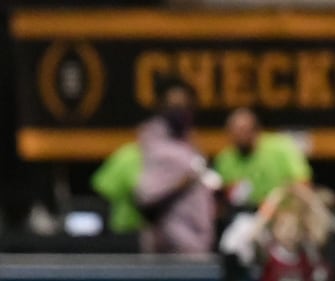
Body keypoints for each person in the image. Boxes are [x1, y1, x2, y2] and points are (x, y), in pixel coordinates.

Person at [133, 76, 220, 254]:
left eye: (183, 105)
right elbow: (146, 204)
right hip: (171, 247)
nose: (179, 111)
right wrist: (182, 184)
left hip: (198, 240)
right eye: (173, 105)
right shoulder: (155, 145)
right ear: (161, 107)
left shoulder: (190, 143)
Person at [214, 108, 312, 211]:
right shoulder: (225, 159)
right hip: (246, 214)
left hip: (285, 213)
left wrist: (276, 203)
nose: (240, 136)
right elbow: (224, 195)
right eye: (235, 132)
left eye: (244, 130)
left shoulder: (280, 147)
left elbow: (303, 184)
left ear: (256, 130)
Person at [90, 138, 144, 235]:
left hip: (165, 231)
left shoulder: (129, 153)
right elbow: (102, 187)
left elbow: (102, 189)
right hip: (127, 228)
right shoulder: (130, 154)